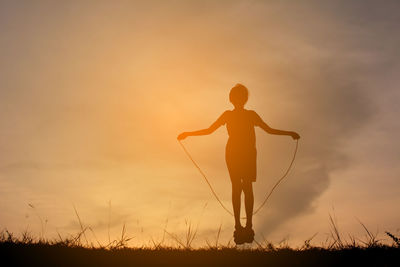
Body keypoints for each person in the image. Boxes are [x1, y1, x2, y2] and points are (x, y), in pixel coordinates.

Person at [177, 84, 300, 244]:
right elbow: (209, 130)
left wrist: (289, 133)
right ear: (232, 99)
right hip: (233, 154)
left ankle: (248, 225)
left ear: (244, 99)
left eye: (241, 97)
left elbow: (268, 130)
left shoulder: (251, 115)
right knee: (237, 187)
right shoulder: (228, 115)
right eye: (236, 97)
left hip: (248, 153)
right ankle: (238, 225)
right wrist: (188, 134)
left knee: (247, 187)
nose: (238, 99)